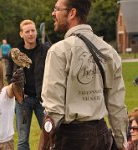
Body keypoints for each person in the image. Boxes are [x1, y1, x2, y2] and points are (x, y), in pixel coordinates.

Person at [41, 0, 128, 150]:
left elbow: (53, 111)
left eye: (56, 9)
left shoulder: (59, 51)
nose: (53, 13)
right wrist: (121, 144)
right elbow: (117, 106)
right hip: (102, 137)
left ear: (72, 13)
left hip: (71, 138)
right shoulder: (109, 52)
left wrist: (43, 145)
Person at [6, 19, 49, 150]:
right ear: (21, 34)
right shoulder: (14, 52)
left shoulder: (46, 50)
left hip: (43, 100)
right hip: (22, 102)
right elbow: (8, 75)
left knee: (50, 135)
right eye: (27, 31)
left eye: (33, 30)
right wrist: (17, 91)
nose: (31, 34)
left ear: (36, 32)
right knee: (23, 139)